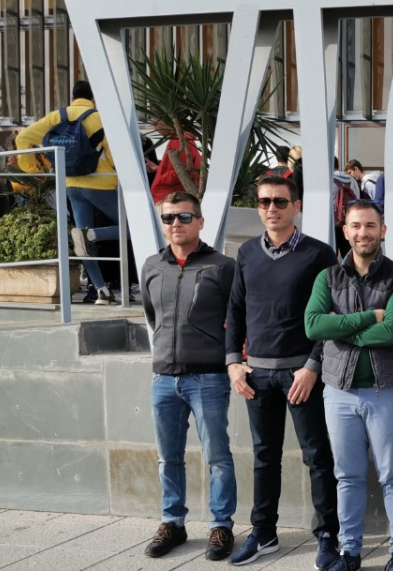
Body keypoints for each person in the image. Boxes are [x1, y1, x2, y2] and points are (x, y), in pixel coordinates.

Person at [225, 175, 340, 569]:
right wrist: (232, 363)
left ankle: (327, 535)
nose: (270, 208)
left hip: (302, 375)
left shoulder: (319, 254)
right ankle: (264, 532)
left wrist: (313, 366)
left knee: (317, 457)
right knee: (264, 457)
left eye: (279, 201)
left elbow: (332, 316)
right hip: (256, 375)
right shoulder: (246, 254)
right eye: (263, 202)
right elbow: (235, 311)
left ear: (296, 206)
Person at [305, 200, 393, 571]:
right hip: (338, 391)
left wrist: (343, 328)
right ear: (346, 230)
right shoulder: (328, 278)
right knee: (347, 476)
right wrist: (369, 316)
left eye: (370, 226)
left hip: (389, 391)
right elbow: (314, 327)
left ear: (382, 231)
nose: (363, 233)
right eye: (356, 226)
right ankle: (349, 551)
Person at [139, 192, 237, 561]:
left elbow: (236, 318)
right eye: (168, 218)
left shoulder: (223, 266)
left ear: (200, 221)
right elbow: (153, 316)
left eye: (183, 217)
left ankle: (221, 526)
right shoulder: (151, 265)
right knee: (168, 457)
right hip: (163, 378)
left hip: (208, 377)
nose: (175, 224)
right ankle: (172, 522)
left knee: (218, 455)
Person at [16, 80, 120, 304]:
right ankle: (92, 235)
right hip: (100, 183)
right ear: (92, 98)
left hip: (70, 184)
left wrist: (33, 170)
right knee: (131, 228)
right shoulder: (100, 118)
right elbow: (113, 155)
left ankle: (101, 289)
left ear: (72, 98)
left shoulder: (56, 117)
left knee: (81, 238)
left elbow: (22, 138)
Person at [150, 120, 202, 204]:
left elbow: (182, 171)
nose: (156, 128)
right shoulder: (183, 139)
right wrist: (159, 169)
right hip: (174, 196)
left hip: (170, 198)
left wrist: (161, 179)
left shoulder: (178, 140)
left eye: (157, 124)